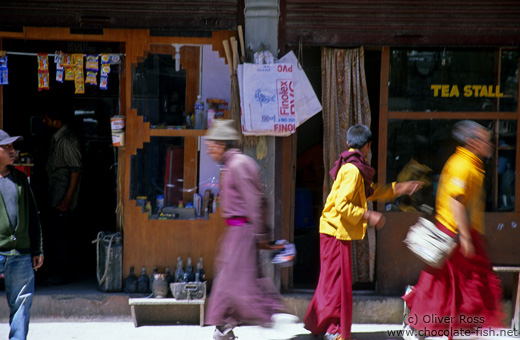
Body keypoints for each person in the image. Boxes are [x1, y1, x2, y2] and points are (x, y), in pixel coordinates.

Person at [304, 124, 424, 340]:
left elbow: (369, 191)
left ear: (349, 143)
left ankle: (321, 324)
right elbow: (342, 205)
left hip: (333, 230)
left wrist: (399, 188)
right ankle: (334, 330)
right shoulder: (352, 170)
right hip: (335, 231)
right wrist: (369, 216)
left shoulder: (353, 166)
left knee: (331, 282)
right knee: (337, 284)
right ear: (368, 146)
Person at [402, 120, 505, 340]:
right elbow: (456, 202)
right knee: (444, 284)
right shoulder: (461, 164)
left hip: (466, 234)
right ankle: (419, 325)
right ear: (473, 142)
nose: (490, 145)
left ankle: (463, 328)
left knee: (455, 286)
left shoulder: (473, 164)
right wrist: (466, 238)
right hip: (455, 233)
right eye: (486, 140)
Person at [204, 120, 293, 340]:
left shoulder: (238, 164)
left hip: (243, 232)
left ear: (222, 145)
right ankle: (224, 328)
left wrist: (262, 236)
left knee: (238, 282)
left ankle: (270, 314)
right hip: (235, 233)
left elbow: (255, 201)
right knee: (228, 280)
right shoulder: (231, 164)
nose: (209, 150)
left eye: (212, 145)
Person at [0, 129, 44, 339]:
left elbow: (33, 216)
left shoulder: (20, 180)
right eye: (7, 147)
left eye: (13, 147)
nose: (13, 151)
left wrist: (36, 248)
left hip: (21, 254)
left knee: (22, 303)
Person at [42, 109, 82, 284]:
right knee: (56, 235)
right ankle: (56, 273)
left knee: (62, 238)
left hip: (62, 196)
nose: (44, 121)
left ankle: (62, 275)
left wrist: (67, 198)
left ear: (57, 121)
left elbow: (76, 170)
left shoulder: (67, 140)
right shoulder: (57, 138)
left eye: (47, 118)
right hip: (55, 194)